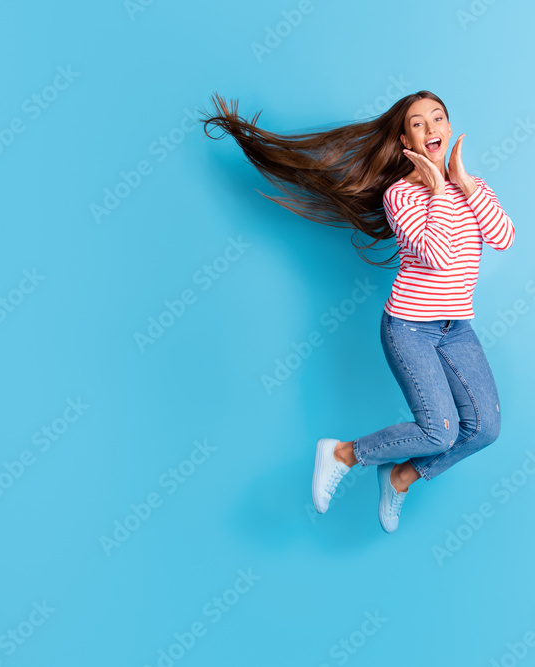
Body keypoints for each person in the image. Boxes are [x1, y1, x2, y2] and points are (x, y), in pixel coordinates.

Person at [201, 90, 515, 533]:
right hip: (410, 329)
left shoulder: (472, 188)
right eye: (418, 123)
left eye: (437, 119)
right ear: (405, 139)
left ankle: (401, 476)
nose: (431, 129)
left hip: (456, 328)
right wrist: (440, 189)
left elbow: (503, 237)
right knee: (440, 431)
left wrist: (461, 183)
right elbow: (438, 257)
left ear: (448, 127)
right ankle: (343, 453)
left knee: (484, 429)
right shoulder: (401, 196)